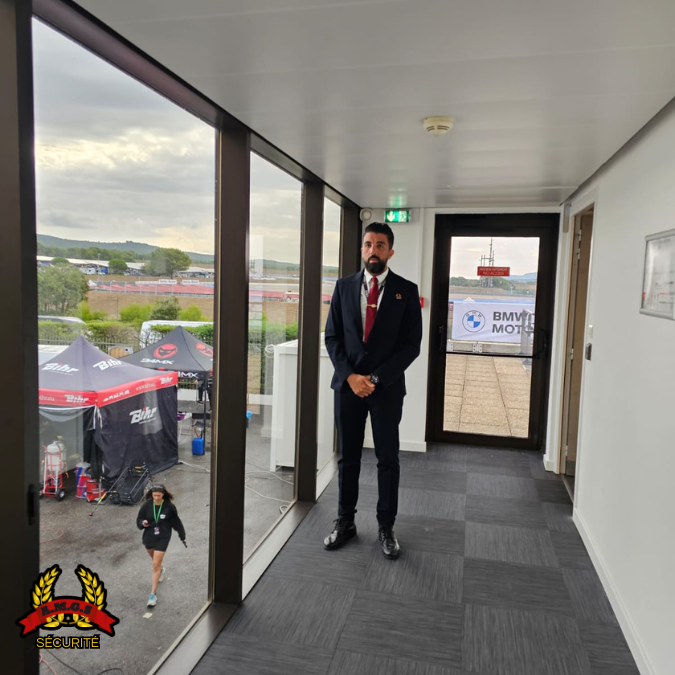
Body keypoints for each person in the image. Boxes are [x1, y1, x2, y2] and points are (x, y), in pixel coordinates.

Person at [324, 222, 423, 559]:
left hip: (387, 389)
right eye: (368, 244)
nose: (373, 250)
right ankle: (345, 522)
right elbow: (332, 338)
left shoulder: (406, 291)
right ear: (362, 249)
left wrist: (376, 379)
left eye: (380, 245)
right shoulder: (343, 287)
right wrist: (351, 377)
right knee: (348, 458)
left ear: (390, 251)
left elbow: (411, 346)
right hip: (347, 388)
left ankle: (386, 526)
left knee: (387, 459)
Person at [136, 484, 187, 607]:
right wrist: (143, 523)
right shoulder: (147, 505)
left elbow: (176, 522)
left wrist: (182, 536)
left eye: (159, 495)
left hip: (163, 537)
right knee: (154, 559)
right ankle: (160, 569)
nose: (156, 498)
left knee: (155, 565)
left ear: (163, 494)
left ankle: (153, 595)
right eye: (154, 495)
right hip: (149, 536)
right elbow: (139, 519)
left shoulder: (169, 506)